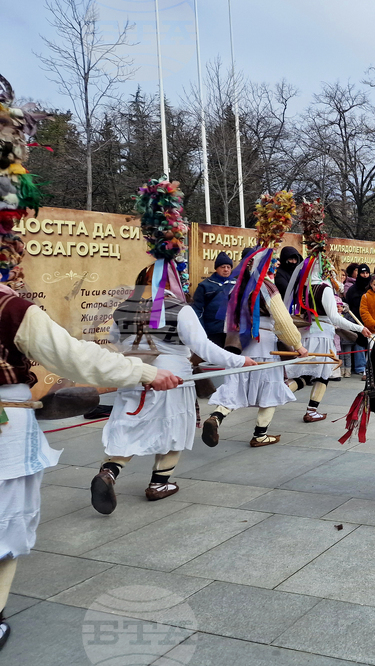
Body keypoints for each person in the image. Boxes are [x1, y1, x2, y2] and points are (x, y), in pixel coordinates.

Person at [0, 88, 183, 647]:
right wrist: (150, 372)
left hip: (124, 378)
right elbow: (74, 354)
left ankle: (120, 469)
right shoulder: (8, 307)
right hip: (131, 383)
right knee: (5, 526)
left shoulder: (131, 303)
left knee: (129, 430)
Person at [94, 178, 255, 513]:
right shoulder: (179, 310)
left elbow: (116, 343)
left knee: (129, 426)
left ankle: (109, 473)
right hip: (172, 376)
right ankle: (159, 482)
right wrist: (241, 363)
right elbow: (205, 349)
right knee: (173, 430)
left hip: (134, 376)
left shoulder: (124, 309)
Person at [203, 191, 309, 447]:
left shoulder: (237, 285)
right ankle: (260, 434)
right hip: (264, 342)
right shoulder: (266, 285)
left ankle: (217, 416)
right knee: (270, 389)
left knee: (236, 385)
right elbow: (282, 320)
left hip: (240, 343)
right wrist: (298, 346)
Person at [282, 200, 369, 422]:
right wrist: (360, 327)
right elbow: (335, 318)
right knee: (321, 375)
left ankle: (306, 407)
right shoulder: (324, 287)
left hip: (309, 334)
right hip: (321, 336)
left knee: (311, 374)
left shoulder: (305, 287)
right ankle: (290, 400)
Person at [191, 251, 236, 347]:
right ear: (216, 269)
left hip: (232, 331)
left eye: (228, 267)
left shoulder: (237, 284)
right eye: (223, 267)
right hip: (212, 331)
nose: (226, 270)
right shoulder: (205, 286)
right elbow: (198, 309)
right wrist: (201, 329)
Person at [344, 264, 372, 379]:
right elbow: (348, 304)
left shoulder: (372, 287)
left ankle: (370, 367)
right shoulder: (352, 289)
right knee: (359, 342)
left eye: (367, 273)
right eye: (362, 273)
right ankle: (360, 367)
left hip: (371, 319)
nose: (365, 275)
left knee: (370, 342)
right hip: (357, 319)